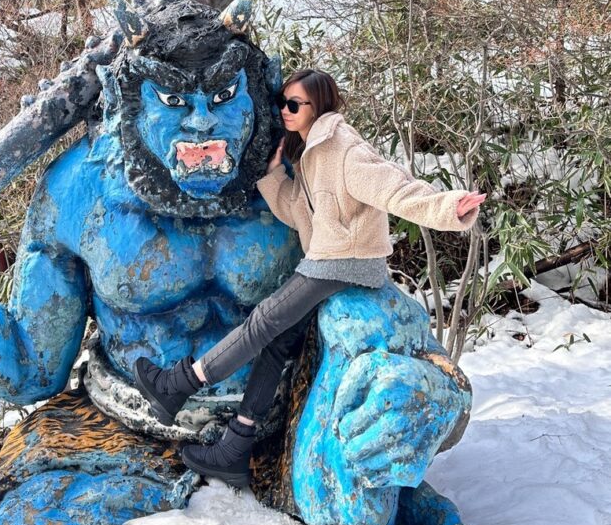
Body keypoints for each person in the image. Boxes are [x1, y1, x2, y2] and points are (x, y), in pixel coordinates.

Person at [133, 68, 486, 488]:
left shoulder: (344, 148)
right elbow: (298, 213)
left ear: (318, 106)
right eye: (283, 102)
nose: (284, 110)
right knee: (277, 342)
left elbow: (395, 189)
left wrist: (450, 208)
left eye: (293, 104)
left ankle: (180, 384)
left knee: (264, 321)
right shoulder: (313, 152)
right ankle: (235, 446)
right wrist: (273, 175)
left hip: (342, 261)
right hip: (331, 255)